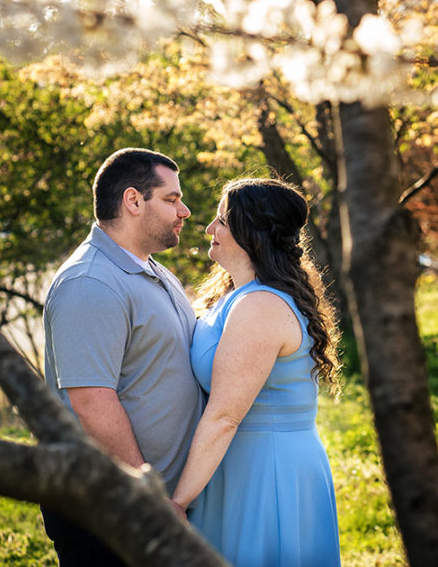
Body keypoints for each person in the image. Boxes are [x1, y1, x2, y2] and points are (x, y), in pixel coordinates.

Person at [41, 147, 204, 566]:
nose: (184, 210)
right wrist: (148, 497)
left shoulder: (153, 270)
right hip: (111, 510)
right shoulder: (90, 282)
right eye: (171, 199)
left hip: (155, 505)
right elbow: (92, 404)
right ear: (133, 201)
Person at [170, 177, 343, 567]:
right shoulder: (234, 294)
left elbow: (225, 416)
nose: (209, 230)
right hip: (237, 464)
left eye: (222, 222)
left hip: (267, 470)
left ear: (253, 234)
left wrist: (177, 502)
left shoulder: (260, 306)